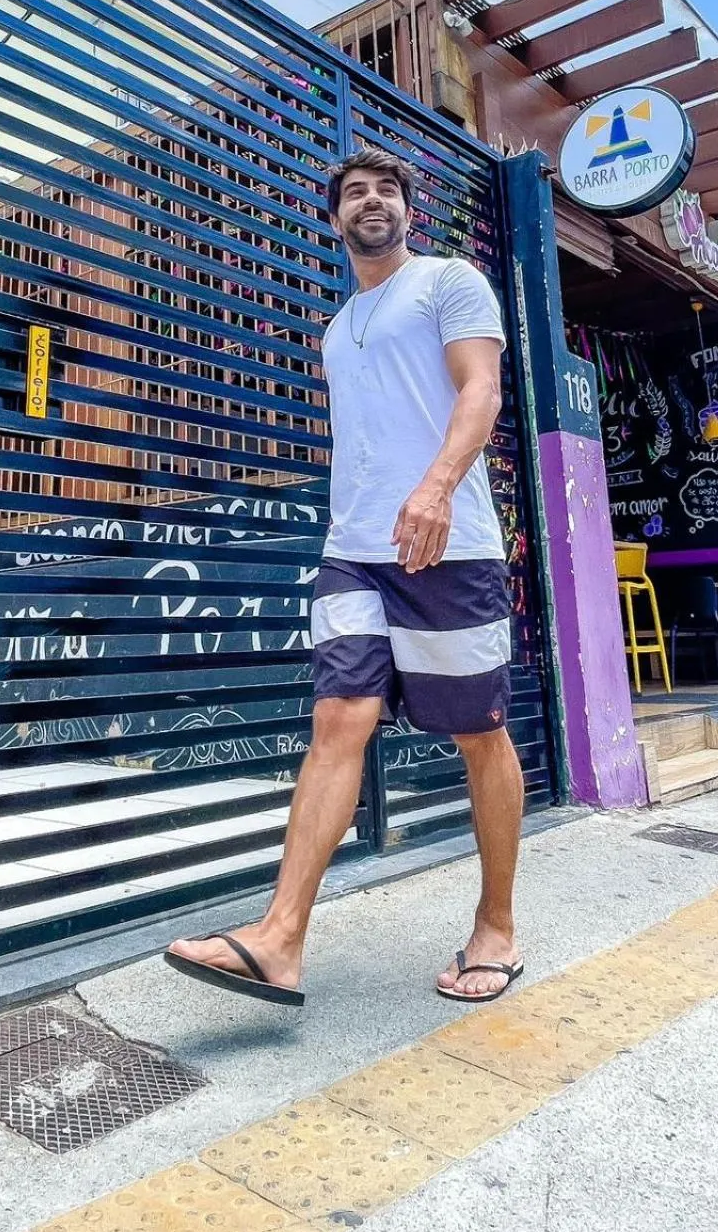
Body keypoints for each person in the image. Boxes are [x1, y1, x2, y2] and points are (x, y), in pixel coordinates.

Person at [165, 144, 525, 1006]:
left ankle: (497, 926)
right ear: (335, 219)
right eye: (356, 192)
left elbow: (481, 390)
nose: (372, 200)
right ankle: (279, 940)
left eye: (387, 190)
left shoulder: (448, 281)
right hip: (353, 549)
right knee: (337, 722)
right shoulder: (336, 327)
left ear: (408, 209)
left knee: (478, 733)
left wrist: (436, 489)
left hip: (446, 545)